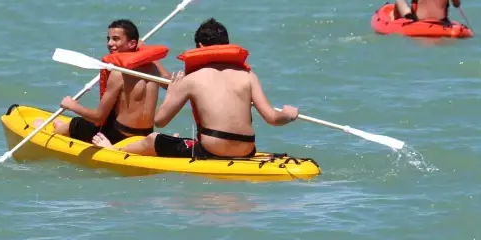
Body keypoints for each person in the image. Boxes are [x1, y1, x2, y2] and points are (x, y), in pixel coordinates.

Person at [93, 18, 298, 158]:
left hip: (211, 151)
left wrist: (173, 91)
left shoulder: (192, 79)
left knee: (153, 138)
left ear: (199, 46)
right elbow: (272, 118)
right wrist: (288, 115)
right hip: (247, 150)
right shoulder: (248, 76)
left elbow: (160, 121)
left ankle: (111, 151)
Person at [41, 19, 171, 145]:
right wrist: (146, 54)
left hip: (118, 136)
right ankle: (59, 125)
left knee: (76, 123)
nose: (109, 43)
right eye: (109, 39)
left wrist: (72, 106)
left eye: (116, 39)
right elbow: (169, 84)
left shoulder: (118, 73)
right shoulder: (153, 67)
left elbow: (99, 118)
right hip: (146, 133)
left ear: (132, 44)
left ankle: (48, 135)